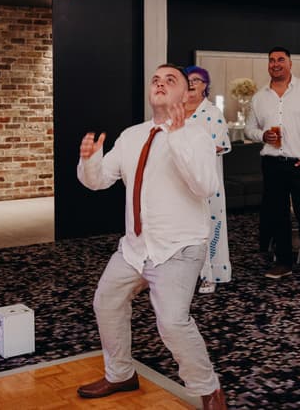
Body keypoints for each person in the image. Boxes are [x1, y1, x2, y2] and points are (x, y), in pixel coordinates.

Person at [76, 64, 227, 410]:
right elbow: (98, 181)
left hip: (180, 247)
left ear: (185, 93)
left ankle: (209, 389)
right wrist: (89, 162)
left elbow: (204, 185)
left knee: (172, 322)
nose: (159, 84)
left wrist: (175, 137)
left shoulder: (197, 135)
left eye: (169, 80)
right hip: (135, 248)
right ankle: (120, 374)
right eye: (155, 80)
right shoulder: (131, 136)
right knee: (106, 302)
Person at [244, 47, 300, 286]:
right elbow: (248, 129)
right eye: (271, 60)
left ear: (290, 64)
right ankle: (283, 263)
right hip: (272, 163)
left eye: (280, 60)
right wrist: (261, 135)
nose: (275, 64)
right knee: (277, 215)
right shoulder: (259, 96)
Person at [184, 65, 232, 294]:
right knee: (183, 228)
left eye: (196, 79)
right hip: (179, 181)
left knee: (208, 227)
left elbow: (218, 146)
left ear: (205, 85)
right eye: (188, 79)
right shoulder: (176, 111)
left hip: (206, 181)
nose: (191, 83)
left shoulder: (213, 114)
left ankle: (209, 275)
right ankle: (183, 274)